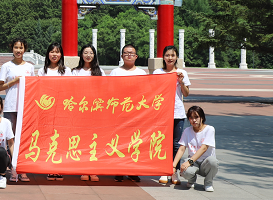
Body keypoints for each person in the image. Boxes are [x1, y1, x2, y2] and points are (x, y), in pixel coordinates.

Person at [0, 38, 34, 182]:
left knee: (24, 138)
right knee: (11, 139)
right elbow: (0, 87)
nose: (18, 50)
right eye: (16, 47)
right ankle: (13, 168)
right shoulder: (6, 66)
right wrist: (14, 81)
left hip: (25, 106)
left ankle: (22, 169)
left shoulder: (30, 67)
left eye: (21, 48)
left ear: (25, 49)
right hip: (11, 106)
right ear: (11, 49)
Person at [154, 45, 191, 185]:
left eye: (173, 55)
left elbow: (186, 94)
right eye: (167, 55)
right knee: (162, 142)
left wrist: (181, 82)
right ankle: (163, 171)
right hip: (161, 113)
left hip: (177, 112)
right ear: (163, 57)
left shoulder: (181, 73)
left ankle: (173, 171)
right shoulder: (158, 72)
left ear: (176, 57)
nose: (170, 58)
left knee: (176, 144)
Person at [109, 44, 146, 183]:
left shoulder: (142, 73)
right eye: (126, 53)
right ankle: (118, 170)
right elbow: (109, 91)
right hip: (119, 113)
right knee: (119, 141)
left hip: (136, 114)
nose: (129, 55)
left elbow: (147, 92)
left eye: (132, 53)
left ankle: (132, 170)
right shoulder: (115, 72)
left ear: (136, 56)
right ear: (122, 56)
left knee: (134, 142)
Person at [37, 42, 68, 181]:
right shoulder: (42, 71)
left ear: (61, 54)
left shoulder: (67, 71)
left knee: (60, 138)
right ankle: (49, 167)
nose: (54, 54)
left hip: (62, 110)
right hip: (46, 110)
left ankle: (59, 167)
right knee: (48, 137)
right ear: (47, 54)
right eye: (52, 52)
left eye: (57, 52)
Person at [72, 45, 103, 182]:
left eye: (91, 53)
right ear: (81, 55)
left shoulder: (99, 71)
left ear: (94, 55)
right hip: (80, 111)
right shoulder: (75, 72)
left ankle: (94, 169)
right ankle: (83, 168)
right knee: (82, 139)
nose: (88, 55)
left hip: (95, 111)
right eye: (85, 52)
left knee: (94, 139)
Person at [171, 106, 218, 192]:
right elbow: (181, 148)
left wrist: (189, 162)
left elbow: (204, 148)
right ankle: (191, 179)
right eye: (191, 117)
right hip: (193, 163)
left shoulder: (210, 129)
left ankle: (208, 182)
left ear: (202, 118)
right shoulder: (187, 131)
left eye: (196, 117)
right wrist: (173, 166)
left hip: (205, 163)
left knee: (213, 161)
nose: (194, 120)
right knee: (184, 170)